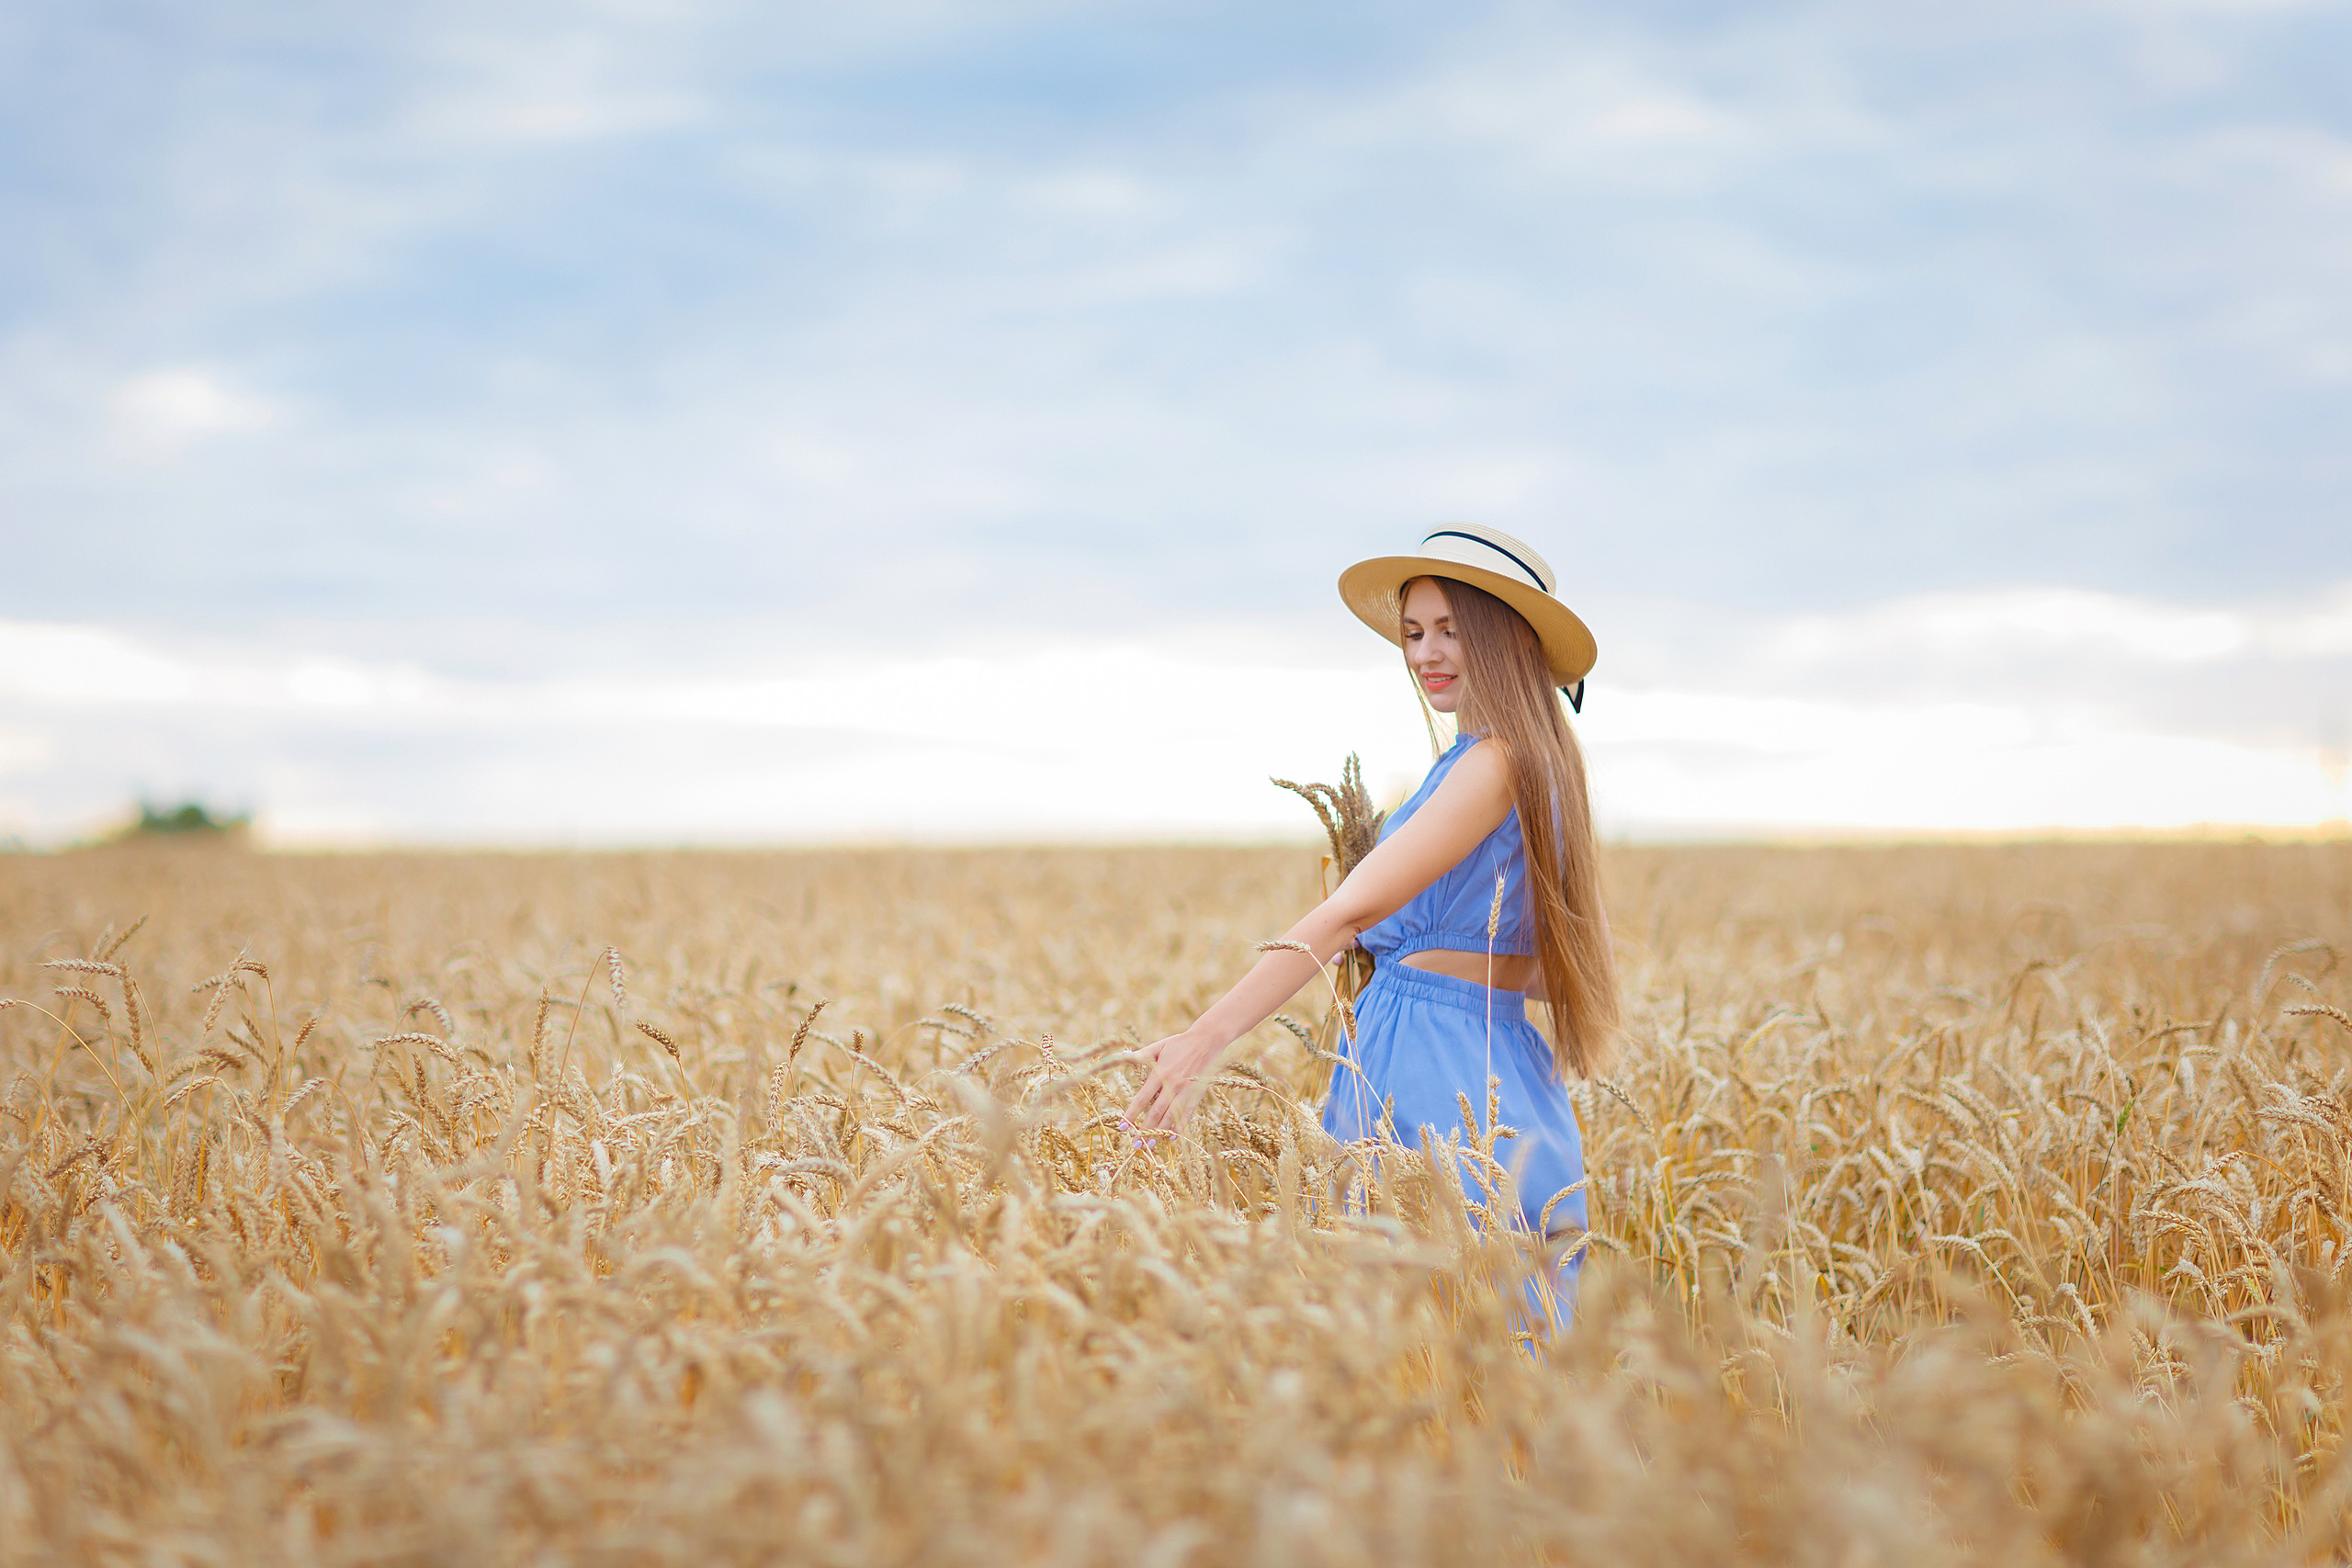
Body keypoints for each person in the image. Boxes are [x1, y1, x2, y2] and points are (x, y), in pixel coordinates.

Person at [1124, 524, 1621, 1318]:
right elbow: (1534, 964)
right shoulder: (1535, 763)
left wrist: (1204, 1039)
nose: (1427, 653)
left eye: (1452, 629)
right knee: (1488, 1329)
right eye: (1414, 633)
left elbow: (1350, 911)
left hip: (1431, 1059)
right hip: (1492, 1055)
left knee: (1421, 1326)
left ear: (1507, 637)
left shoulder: (1491, 762)